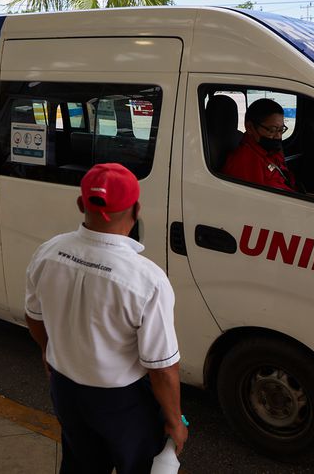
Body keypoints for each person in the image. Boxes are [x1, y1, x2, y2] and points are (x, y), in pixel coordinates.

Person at [24, 163, 187, 474]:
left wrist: (48, 354)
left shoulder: (48, 253)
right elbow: (163, 369)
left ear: (81, 204)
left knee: (80, 464)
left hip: (66, 392)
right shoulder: (147, 280)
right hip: (122, 404)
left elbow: (34, 318)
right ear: (137, 209)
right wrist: (175, 421)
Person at [222, 98, 296, 191]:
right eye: (272, 130)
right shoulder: (245, 163)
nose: (278, 136)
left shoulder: (270, 151)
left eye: (281, 130)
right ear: (249, 127)